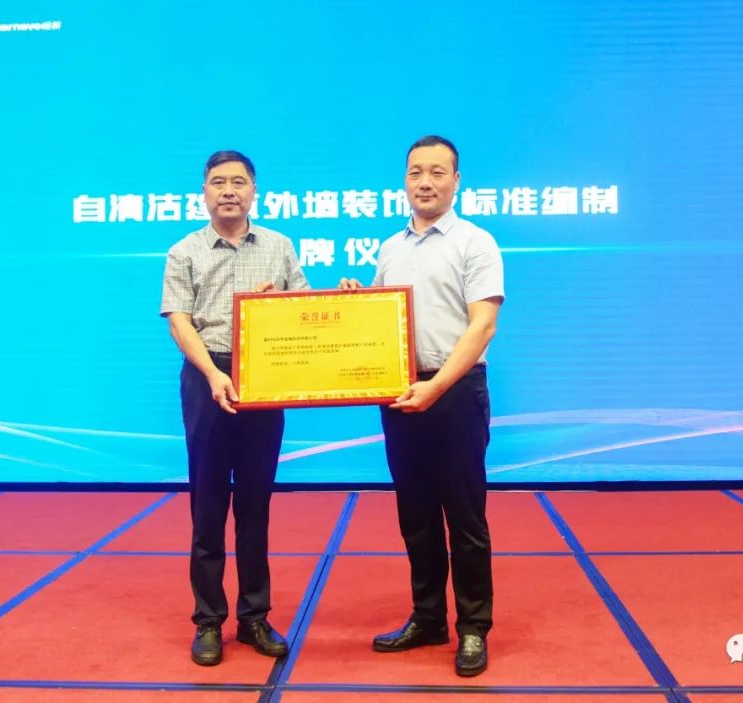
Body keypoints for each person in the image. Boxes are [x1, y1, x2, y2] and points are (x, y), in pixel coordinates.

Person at [340, 135, 504, 676]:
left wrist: (437, 386)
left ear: (457, 181)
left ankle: (473, 627)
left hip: (454, 392)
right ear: (404, 181)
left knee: (465, 516)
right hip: (400, 390)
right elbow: (381, 319)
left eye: (437, 172)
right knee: (416, 515)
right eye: (416, 173)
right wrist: (355, 300)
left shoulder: (475, 242)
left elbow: (483, 326)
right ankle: (428, 618)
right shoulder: (391, 248)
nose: (425, 182)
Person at [161, 150, 309, 666]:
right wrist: (213, 373)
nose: (229, 190)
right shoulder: (184, 251)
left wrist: (275, 305)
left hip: (263, 380)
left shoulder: (279, 246)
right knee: (207, 505)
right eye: (219, 182)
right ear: (204, 192)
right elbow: (179, 321)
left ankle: (254, 617)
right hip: (208, 377)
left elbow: (304, 310)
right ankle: (208, 620)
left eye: (239, 182)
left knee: (254, 504)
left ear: (254, 191)